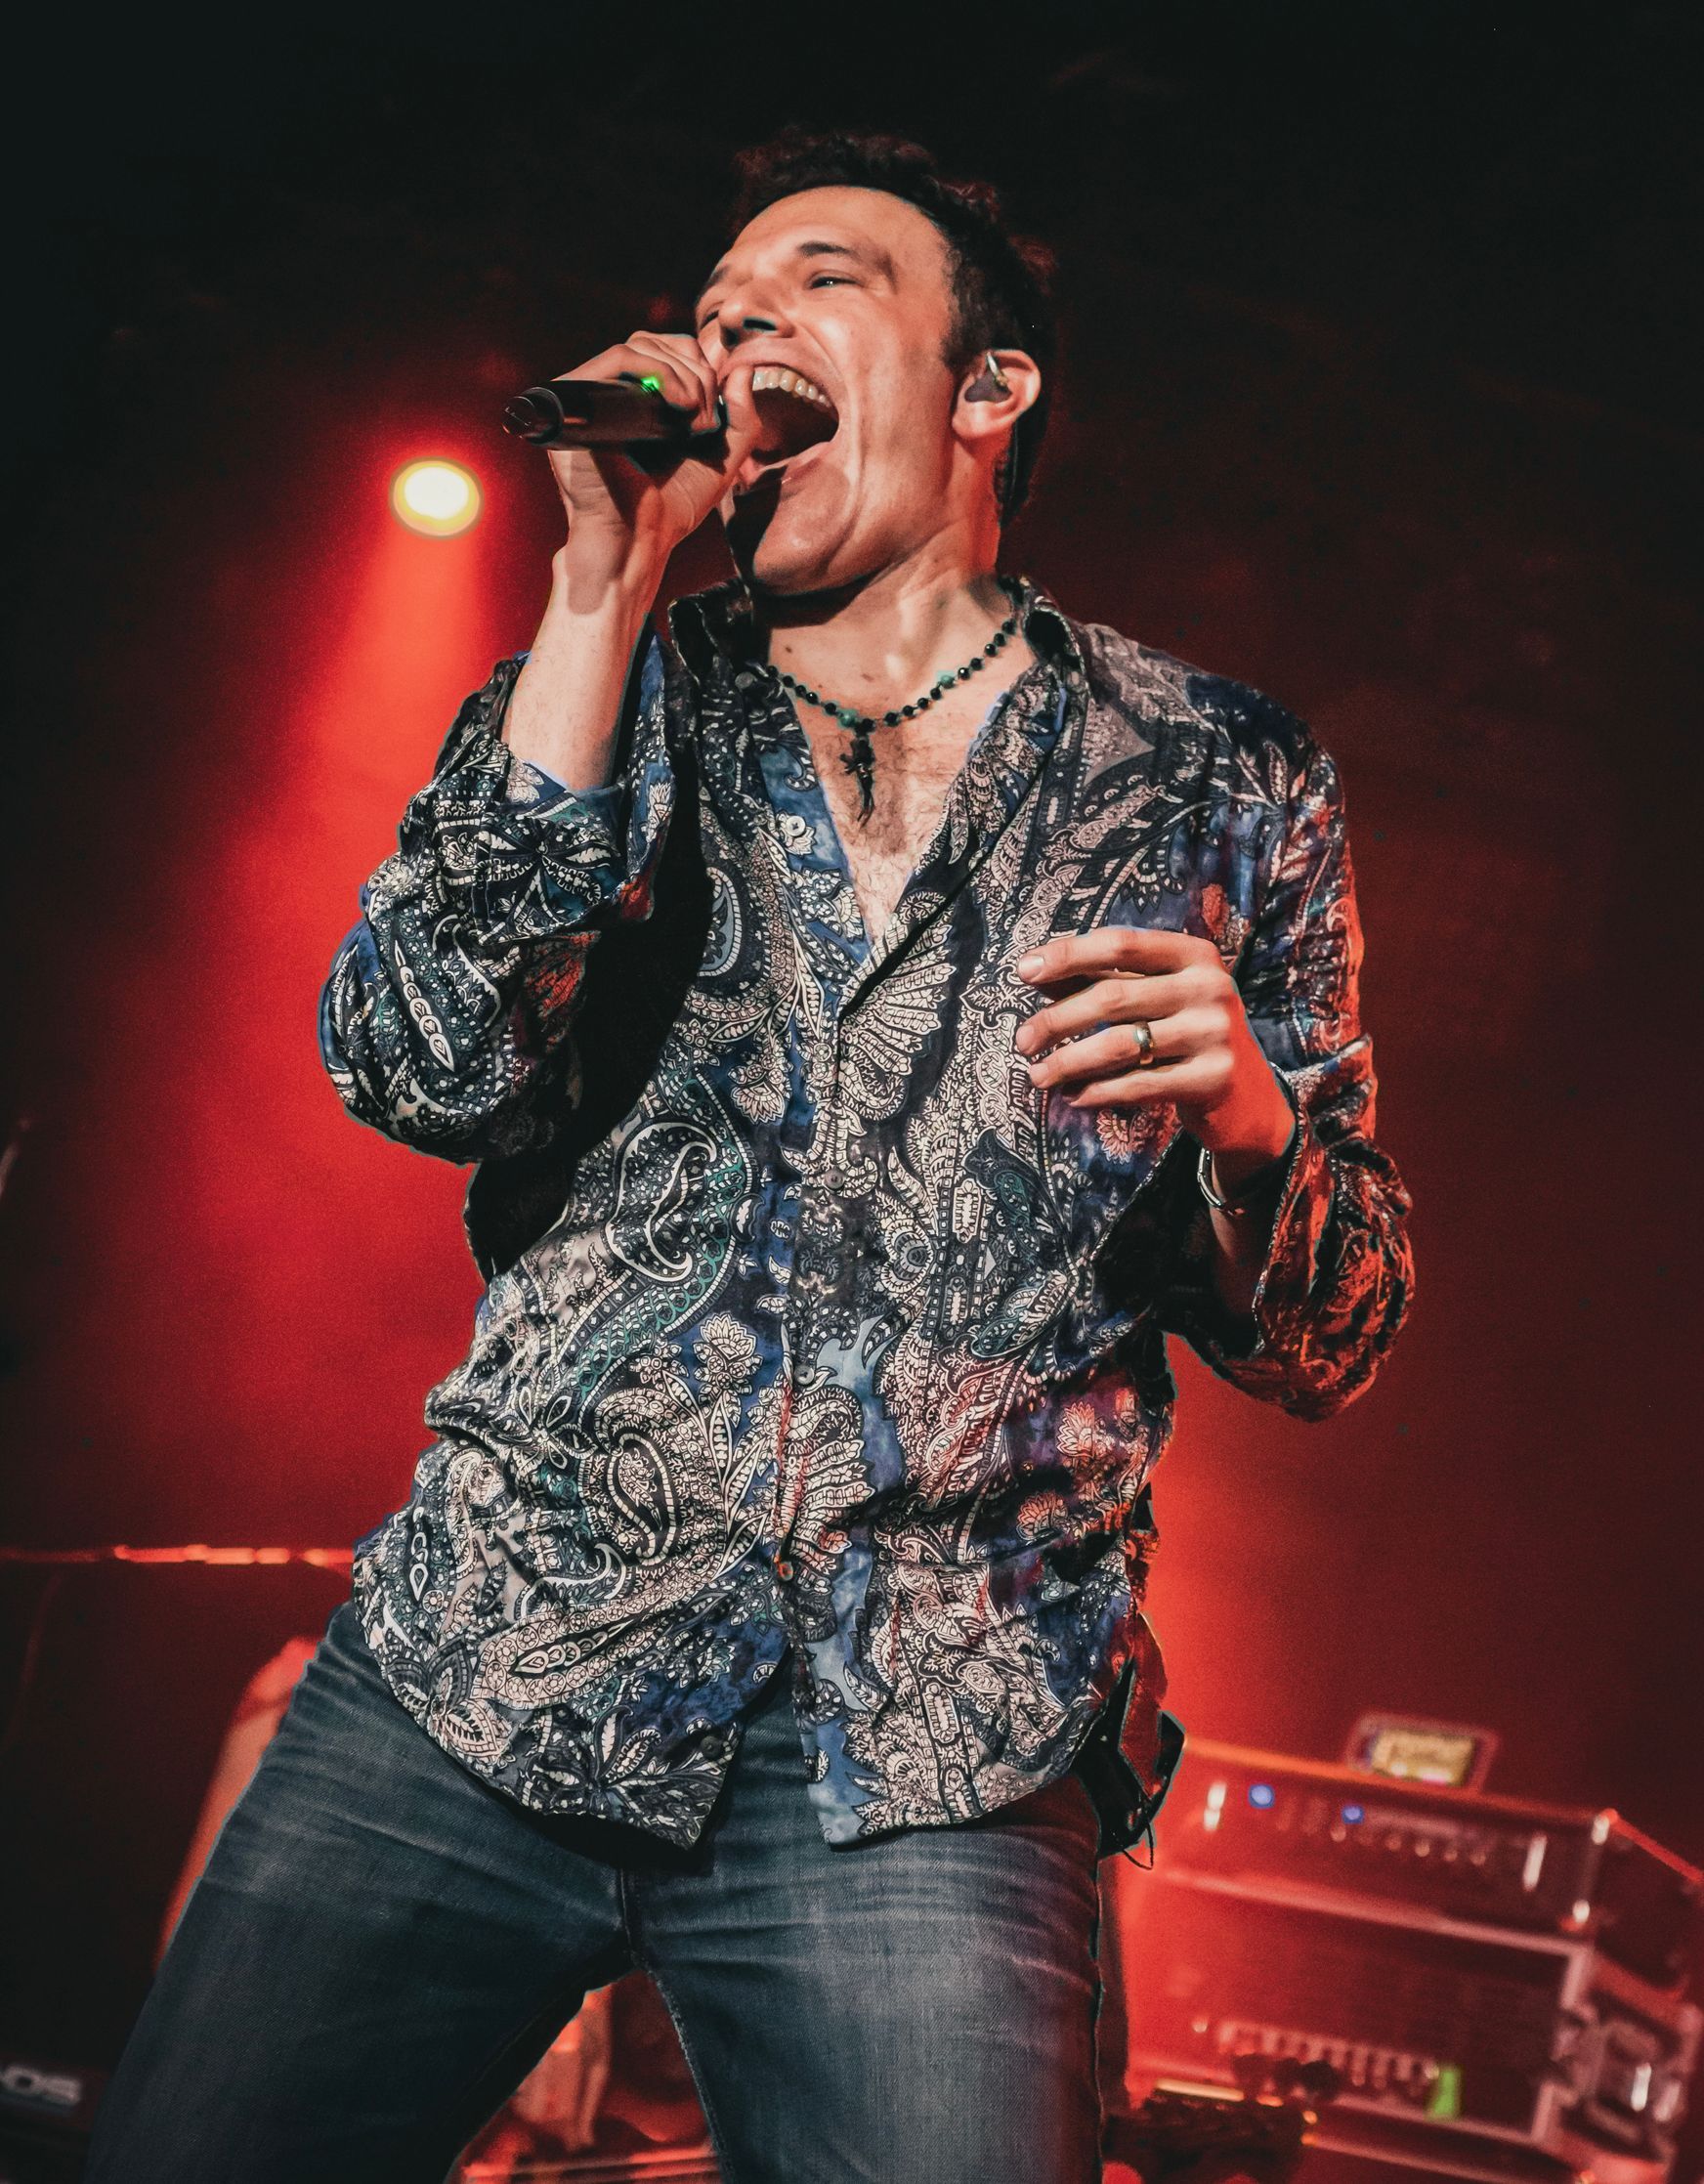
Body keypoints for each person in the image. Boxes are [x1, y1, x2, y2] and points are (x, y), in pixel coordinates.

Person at [87, 128, 1414, 2184]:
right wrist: (599, 592)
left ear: (985, 388)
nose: (733, 324)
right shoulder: (597, 697)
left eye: (815, 280)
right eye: (715, 302)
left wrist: (1245, 1120)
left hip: (933, 1752)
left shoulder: (1216, 775)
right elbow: (412, 1059)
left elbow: (1331, 1332)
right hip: (487, 1670)